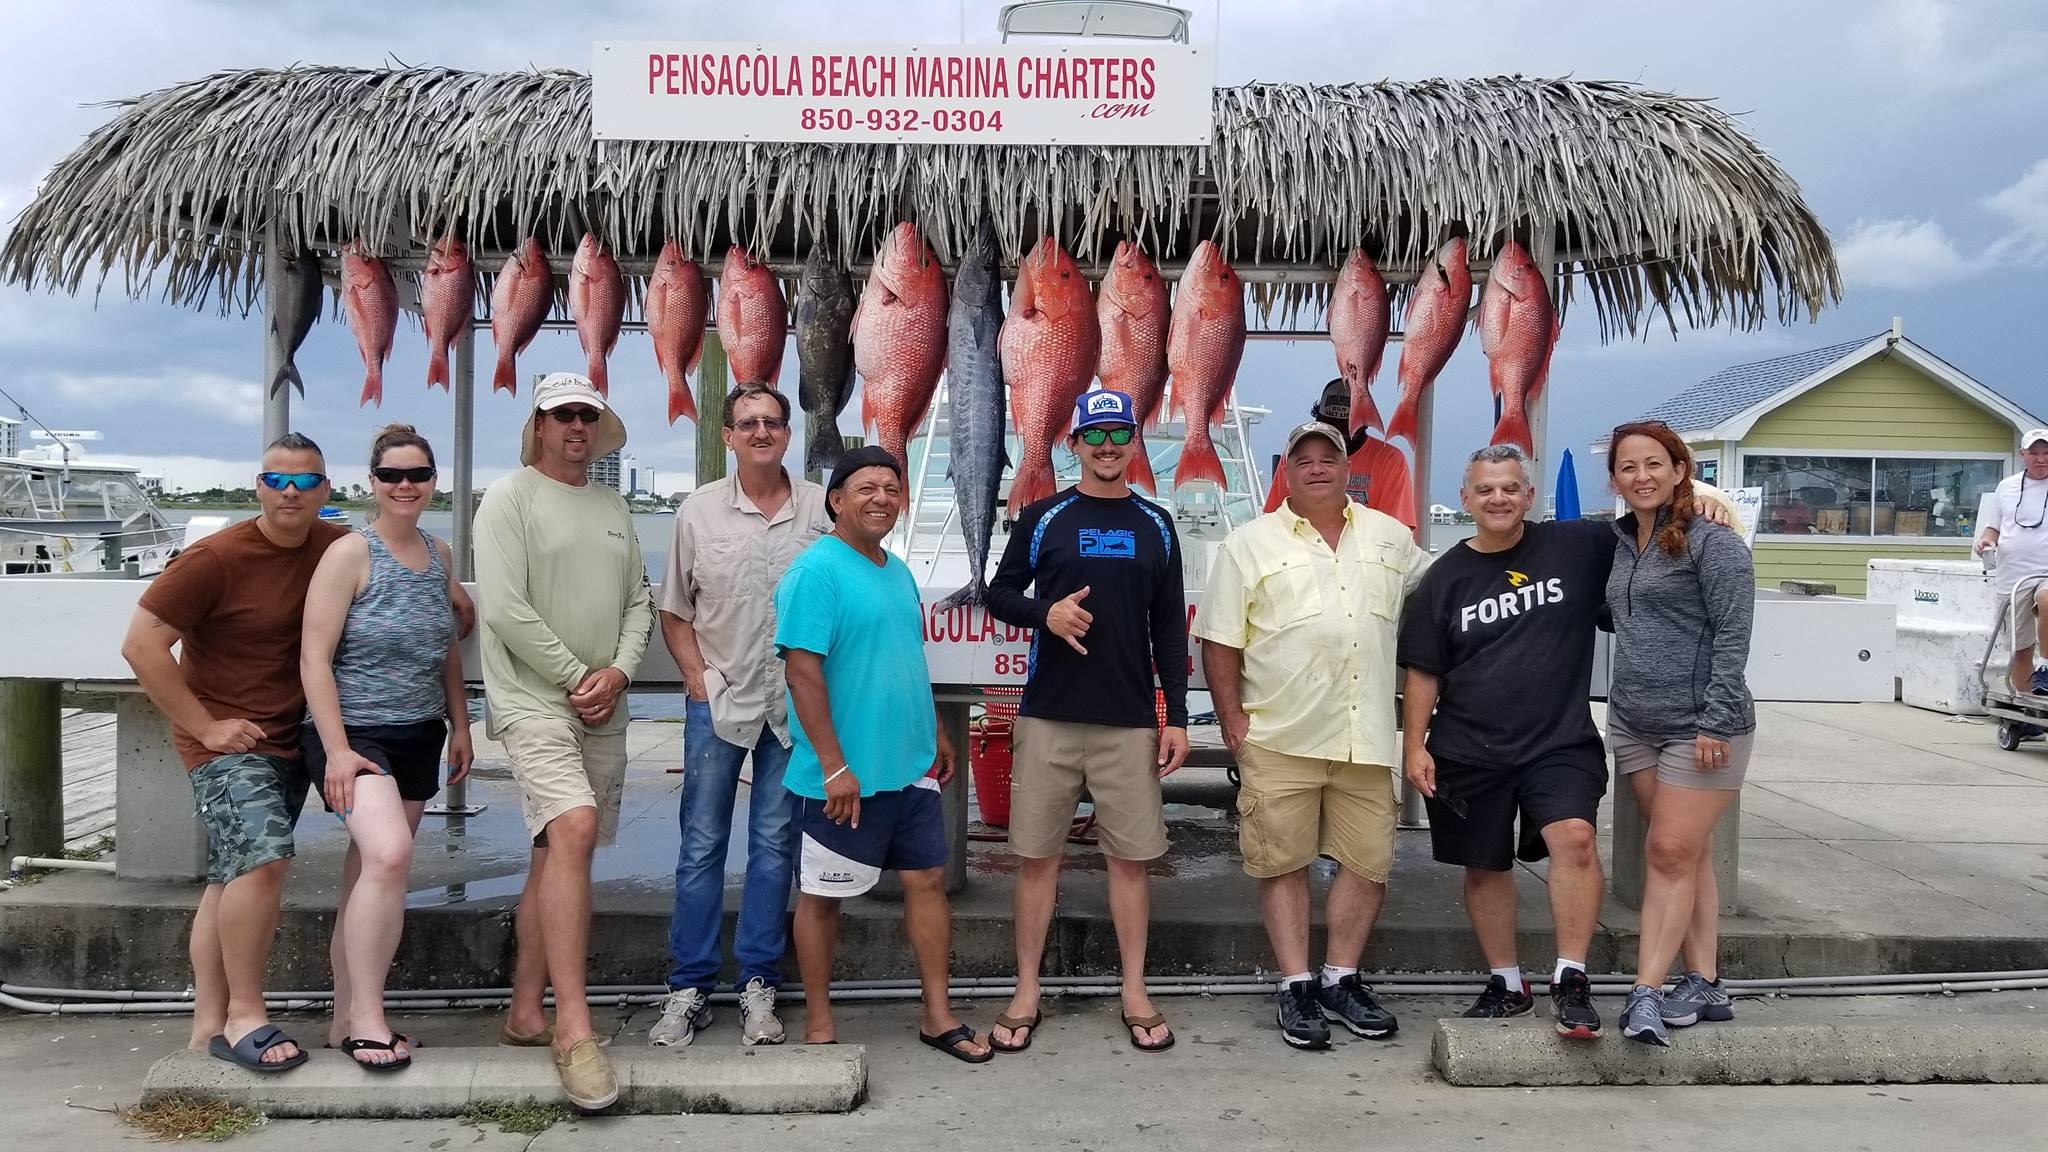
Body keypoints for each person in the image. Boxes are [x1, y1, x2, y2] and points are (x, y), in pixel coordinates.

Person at [1397, 444, 1736, 1040]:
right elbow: (1424, 668)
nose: (1498, 498)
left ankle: (1571, 977)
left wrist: (1706, 500)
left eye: (1510, 488)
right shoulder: (1442, 578)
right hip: (1466, 747)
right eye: (1485, 490)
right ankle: (1507, 983)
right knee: (1484, 864)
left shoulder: (1579, 544)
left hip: (1559, 741)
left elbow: (1649, 511)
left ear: (1530, 497)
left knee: (1575, 839)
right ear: (1465, 501)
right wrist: (1414, 745)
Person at [1193, 421, 1429, 1051]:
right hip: (1278, 734)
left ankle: (1340, 978)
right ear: (1286, 472)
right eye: (1305, 460)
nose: (1319, 468)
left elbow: (1450, 587)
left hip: (1365, 735)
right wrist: (1232, 723)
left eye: (1331, 458)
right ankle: (1296, 983)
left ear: (1349, 469)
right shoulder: (1248, 544)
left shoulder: (1391, 536)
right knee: (1282, 863)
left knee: (1368, 864)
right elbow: (1218, 639)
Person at [120, 433, 348, 1073]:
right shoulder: (212, 560)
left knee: (233, 875)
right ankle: (247, 1014)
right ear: (258, 486)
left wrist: (454, 592)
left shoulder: (336, 548)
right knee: (265, 863)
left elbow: (402, 556)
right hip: (223, 743)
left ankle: (205, 1028)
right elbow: (141, 645)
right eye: (278, 481)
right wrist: (206, 725)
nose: (290, 494)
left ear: (325, 492)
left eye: (306, 483)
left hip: (286, 738)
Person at [984, 389, 1191, 1054]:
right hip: (1048, 717)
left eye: (1119, 435)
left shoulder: (1157, 523)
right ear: (1074, 444)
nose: (1107, 447)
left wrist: (1177, 718)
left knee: (1131, 865)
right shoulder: (1044, 516)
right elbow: (999, 593)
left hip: (1129, 722)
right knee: (1036, 860)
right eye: (1094, 435)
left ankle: (1134, 989)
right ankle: (1026, 989)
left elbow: (1169, 630)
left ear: (1134, 443)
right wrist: (1045, 613)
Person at [775, 446, 989, 1063]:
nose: (881, 499)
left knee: (927, 880)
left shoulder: (897, 571)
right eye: (865, 488)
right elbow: (802, 676)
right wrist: (836, 766)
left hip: (910, 766)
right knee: (823, 896)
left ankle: (937, 1015)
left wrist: (937, 733)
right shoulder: (816, 572)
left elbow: (905, 660)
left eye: (891, 489)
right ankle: (819, 1023)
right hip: (841, 778)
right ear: (835, 501)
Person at [476, 372, 653, 1110]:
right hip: (532, 701)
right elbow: (506, 610)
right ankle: (572, 1030)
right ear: (539, 427)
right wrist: (579, 674)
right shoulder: (508, 498)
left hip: (600, 705)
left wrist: (616, 672)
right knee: (574, 829)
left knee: (555, 849)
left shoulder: (614, 504)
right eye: (562, 415)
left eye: (587, 414)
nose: (576, 425)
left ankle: (524, 1011)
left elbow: (639, 601)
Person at [651, 385, 831, 1048]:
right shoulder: (697, 512)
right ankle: (689, 985)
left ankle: (759, 982)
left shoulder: (821, 509)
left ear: (788, 434)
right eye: (748, 422)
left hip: (794, 707)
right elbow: (674, 611)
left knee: (775, 847)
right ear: (727, 434)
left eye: (773, 422)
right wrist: (696, 679)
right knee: (700, 846)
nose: (761, 432)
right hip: (720, 703)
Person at [300, 424, 473, 1072]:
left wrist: (461, 723)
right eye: (392, 475)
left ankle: (344, 1012)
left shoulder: (439, 553)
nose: (406, 486)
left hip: (419, 730)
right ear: (372, 482)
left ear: (432, 482)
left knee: (369, 875)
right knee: (391, 855)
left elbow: (446, 648)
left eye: (417, 475)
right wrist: (339, 752)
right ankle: (369, 1021)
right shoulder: (350, 553)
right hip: (353, 733)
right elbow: (313, 659)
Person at [1604, 422, 1756, 1046]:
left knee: (1666, 853)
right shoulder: (1618, 543)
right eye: (1627, 467)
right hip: (1636, 723)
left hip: (1703, 728)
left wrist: (1716, 719)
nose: (1641, 477)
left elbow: (1733, 635)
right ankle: (1706, 981)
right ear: (1614, 479)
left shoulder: (1712, 543)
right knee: (1683, 854)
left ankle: (1645, 993)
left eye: (1653, 465)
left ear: (1678, 469)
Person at [1261, 378, 1417, 531]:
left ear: (1364, 423)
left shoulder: (1389, 460)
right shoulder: (1295, 455)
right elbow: (1274, 520)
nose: (1340, 437)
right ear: (1318, 422)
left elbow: (1397, 532)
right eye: (1332, 430)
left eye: (1348, 430)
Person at [1974, 429, 2048, 695]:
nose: (2041, 459)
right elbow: (1992, 528)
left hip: (2044, 572)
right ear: (2023, 455)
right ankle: (2029, 707)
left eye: (2047, 453)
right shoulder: (2006, 487)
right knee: (2021, 648)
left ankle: (2046, 668)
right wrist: (1986, 542)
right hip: (2012, 576)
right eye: (2035, 453)